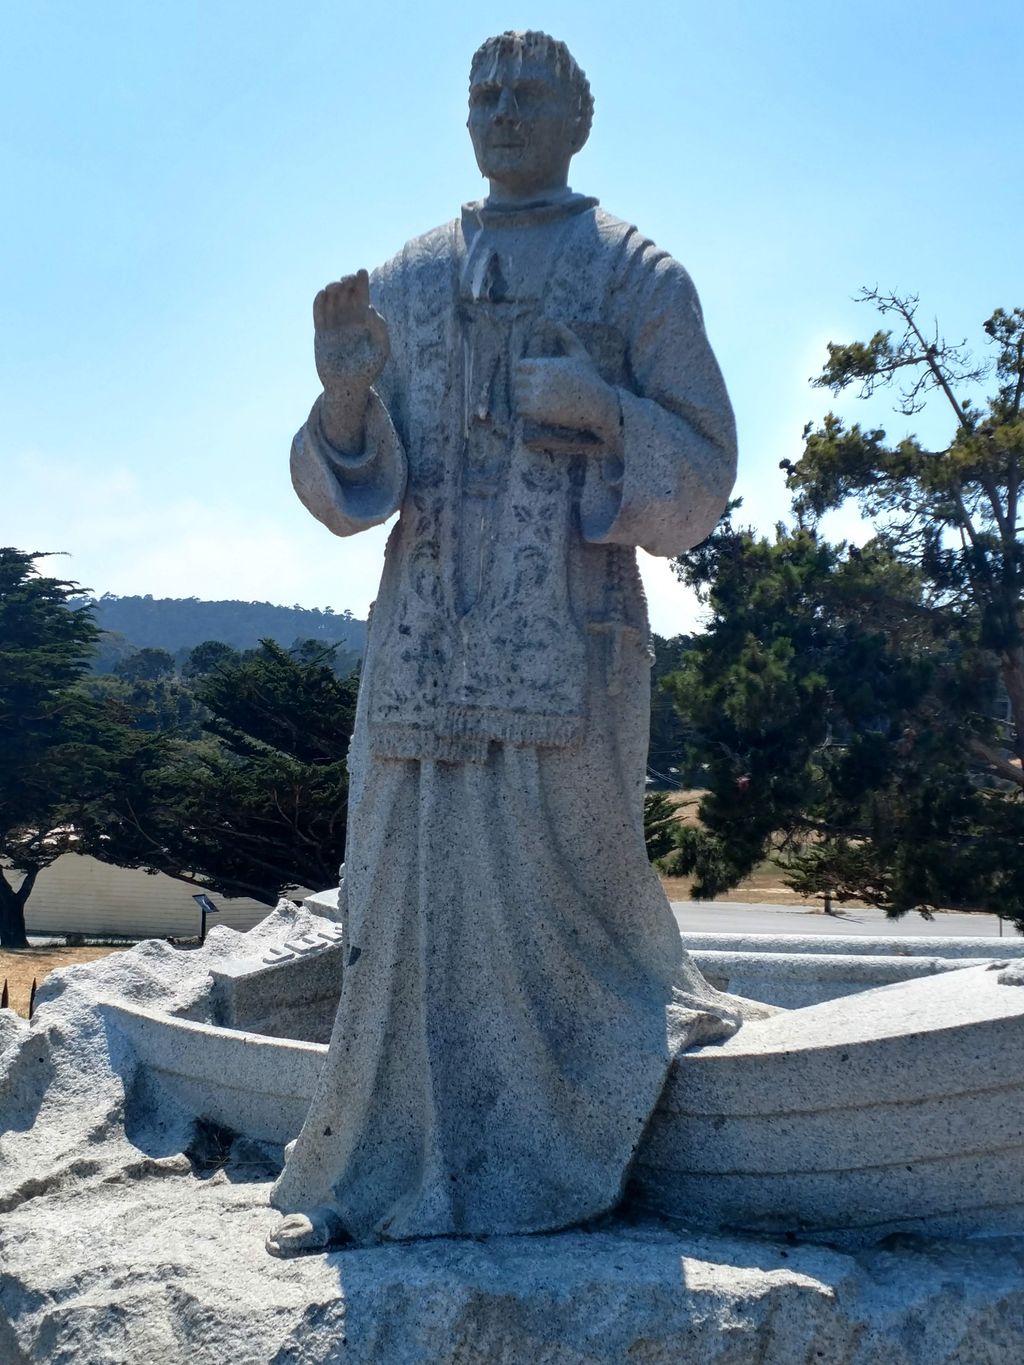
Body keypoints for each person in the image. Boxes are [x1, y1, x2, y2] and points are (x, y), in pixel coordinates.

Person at [267, 30, 758, 1257]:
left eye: (529, 93)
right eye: (482, 93)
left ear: (578, 118)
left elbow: (704, 477)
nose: (501, 110)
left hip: (566, 656)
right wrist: (339, 405)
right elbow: (349, 493)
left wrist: (604, 412)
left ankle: (548, 1161)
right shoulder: (409, 277)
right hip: (421, 654)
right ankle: (371, 1170)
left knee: (568, 906)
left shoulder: (636, 274)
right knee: (396, 902)